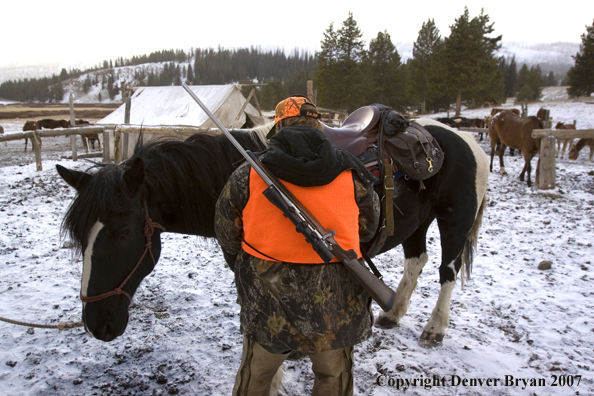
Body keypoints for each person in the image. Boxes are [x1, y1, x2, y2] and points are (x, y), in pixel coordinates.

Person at [214, 96, 380, 396]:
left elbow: (226, 233)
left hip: (268, 307)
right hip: (337, 308)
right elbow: (368, 229)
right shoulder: (354, 175)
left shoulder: (247, 174)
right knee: (333, 378)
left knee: (256, 377)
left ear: (277, 127)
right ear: (319, 125)